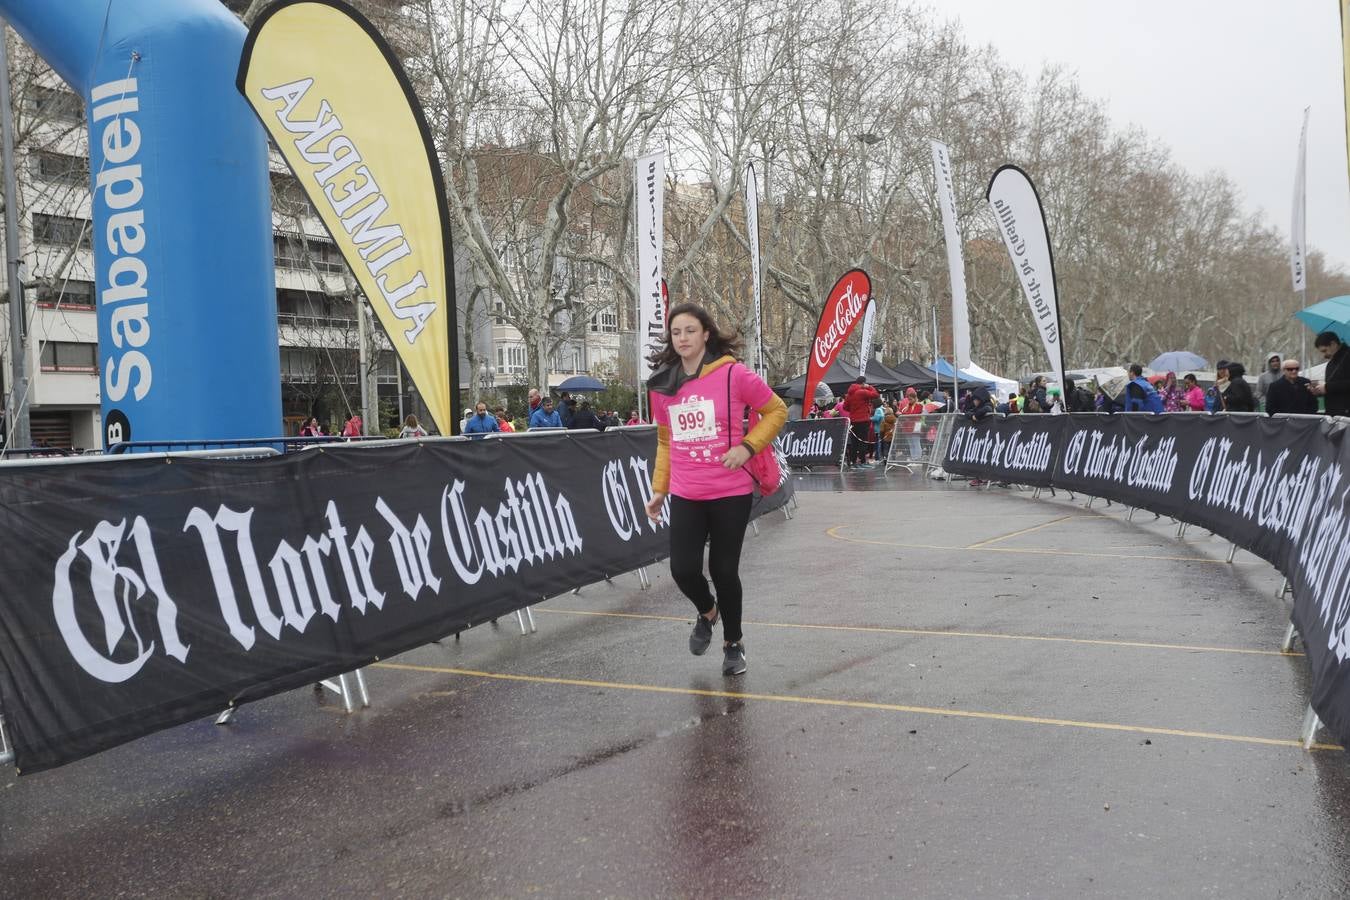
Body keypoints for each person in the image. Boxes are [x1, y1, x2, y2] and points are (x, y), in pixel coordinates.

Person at [644, 303, 786, 677]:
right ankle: (708, 612)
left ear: (706, 333)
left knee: (725, 571)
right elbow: (664, 440)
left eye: (690, 330)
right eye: (676, 332)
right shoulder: (663, 385)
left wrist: (747, 447)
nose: (683, 338)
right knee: (682, 569)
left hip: (730, 492)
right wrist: (659, 489)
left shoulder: (733, 375)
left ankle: (734, 643)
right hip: (686, 491)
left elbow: (776, 411)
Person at [843, 375, 880, 468]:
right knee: (863, 441)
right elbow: (876, 395)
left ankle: (853, 462)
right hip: (863, 420)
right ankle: (863, 462)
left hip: (853, 420)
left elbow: (845, 407)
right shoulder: (862, 392)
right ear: (863, 383)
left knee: (854, 442)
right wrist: (869, 387)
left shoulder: (849, 394)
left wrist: (854, 410)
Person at [1311, 331, 1350, 417]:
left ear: (1333, 344)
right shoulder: (1330, 364)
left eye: (1325, 350)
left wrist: (1327, 387)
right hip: (1334, 414)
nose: (1324, 355)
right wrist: (1319, 391)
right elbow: (1331, 388)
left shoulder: (1347, 357)